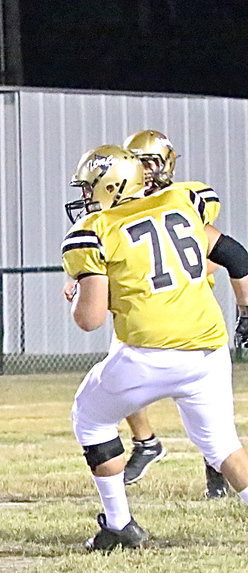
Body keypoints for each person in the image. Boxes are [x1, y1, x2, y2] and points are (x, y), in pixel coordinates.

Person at [61, 145, 248, 550]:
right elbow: (234, 254)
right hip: (208, 351)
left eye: (90, 187)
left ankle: (119, 524)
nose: (86, 197)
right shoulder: (181, 200)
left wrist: (80, 291)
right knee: (222, 446)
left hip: (149, 354)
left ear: (110, 186)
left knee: (89, 418)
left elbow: (89, 319)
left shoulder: (95, 229)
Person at [108, 130, 247, 497]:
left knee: (208, 409)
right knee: (114, 369)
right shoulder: (117, 205)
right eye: (137, 162)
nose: (145, 170)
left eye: (151, 162)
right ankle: (146, 442)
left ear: (167, 163)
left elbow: (223, 252)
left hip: (188, 311)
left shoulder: (187, 198)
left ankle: (215, 468)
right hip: (142, 312)